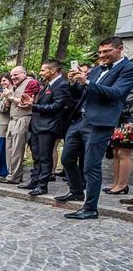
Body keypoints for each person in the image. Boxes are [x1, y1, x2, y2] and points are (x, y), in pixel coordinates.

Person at [56, 36, 133, 220]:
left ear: (120, 49)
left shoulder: (128, 68)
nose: (102, 55)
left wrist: (88, 82)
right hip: (80, 120)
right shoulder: (97, 69)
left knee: (91, 166)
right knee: (66, 158)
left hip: (100, 123)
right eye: (100, 52)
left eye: (107, 51)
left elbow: (116, 94)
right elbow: (80, 93)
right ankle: (76, 191)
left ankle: (90, 208)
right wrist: (73, 82)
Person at [17, 59, 70, 196]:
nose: (40, 73)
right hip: (37, 125)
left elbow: (56, 107)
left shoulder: (62, 85)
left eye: (43, 70)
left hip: (48, 127)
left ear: (52, 70)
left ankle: (42, 185)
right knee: (36, 156)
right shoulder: (47, 85)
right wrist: (30, 104)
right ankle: (34, 180)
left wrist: (33, 106)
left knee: (45, 157)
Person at [0, 66, 40, 184]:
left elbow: (25, 102)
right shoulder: (14, 86)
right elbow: (8, 105)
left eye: (16, 74)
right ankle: (12, 174)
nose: (13, 77)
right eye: (12, 75)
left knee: (17, 149)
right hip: (12, 119)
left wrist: (10, 97)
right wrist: (7, 98)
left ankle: (14, 176)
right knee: (9, 148)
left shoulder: (31, 83)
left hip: (23, 118)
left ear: (24, 74)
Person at [103, 88, 133, 195]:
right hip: (119, 119)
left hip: (129, 121)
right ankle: (116, 183)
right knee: (115, 152)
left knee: (124, 153)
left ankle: (122, 184)